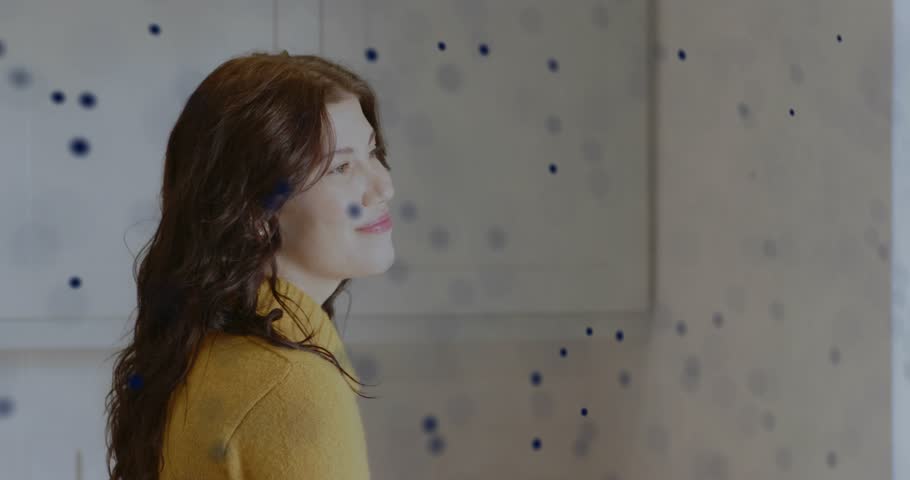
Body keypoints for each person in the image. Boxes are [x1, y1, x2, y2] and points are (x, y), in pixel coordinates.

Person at [104, 49, 395, 480]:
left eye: (373, 152)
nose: (382, 186)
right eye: (342, 167)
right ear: (257, 213)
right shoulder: (292, 386)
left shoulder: (205, 346)